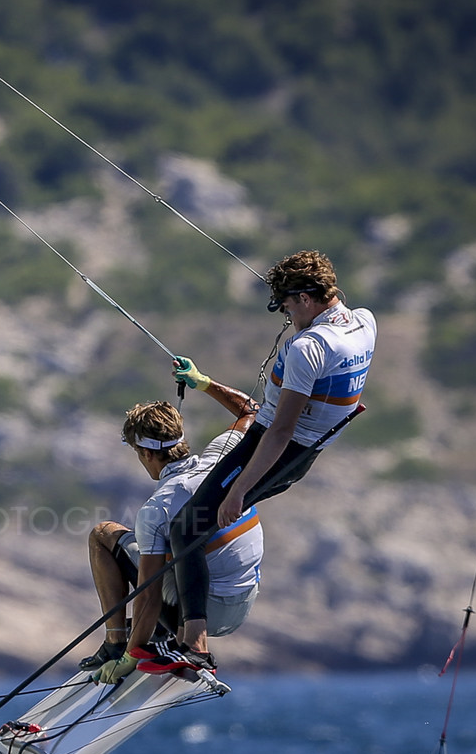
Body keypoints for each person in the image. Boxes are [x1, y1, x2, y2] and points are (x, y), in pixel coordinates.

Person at [167, 250, 376, 668]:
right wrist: (205, 382)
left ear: (303, 297)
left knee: (185, 528)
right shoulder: (365, 321)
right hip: (305, 452)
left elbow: (278, 430)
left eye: (284, 304)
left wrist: (239, 490)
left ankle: (195, 644)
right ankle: (183, 630)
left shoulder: (309, 348)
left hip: (276, 447)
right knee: (200, 523)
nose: (284, 313)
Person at [82, 376, 263, 685]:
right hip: (245, 602)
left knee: (103, 534)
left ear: (147, 454)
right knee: (179, 550)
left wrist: (131, 657)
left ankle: (116, 643)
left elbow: (148, 594)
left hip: (201, 614)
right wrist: (204, 382)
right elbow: (252, 411)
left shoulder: (158, 507)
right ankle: (159, 636)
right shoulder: (223, 455)